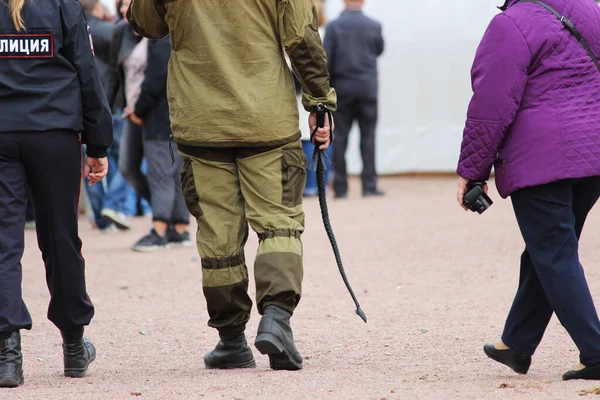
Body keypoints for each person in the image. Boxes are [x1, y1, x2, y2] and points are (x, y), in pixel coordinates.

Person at [127, 0, 336, 371]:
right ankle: (276, 318)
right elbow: (301, 38)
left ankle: (231, 340)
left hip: (200, 121)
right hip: (266, 120)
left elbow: (145, 23)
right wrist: (319, 102)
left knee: (218, 234)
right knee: (278, 223)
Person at [456, 0, 600, 381]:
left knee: (554, 252)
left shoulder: (511, 24)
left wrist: (473, 171)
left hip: (542, 159)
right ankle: (517, 343)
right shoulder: (591, 9)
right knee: (550, 249)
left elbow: (491, 102)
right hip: (594, 154)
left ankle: (597, 351)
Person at [0, 0, 112, 387]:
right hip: (54, 131)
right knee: (61, 239)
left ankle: (7, 356)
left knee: (2, 243)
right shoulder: (62, 4)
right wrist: (98, 143)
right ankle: (74, 346)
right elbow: (86, 70)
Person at [127, 36, 192, 252]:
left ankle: (159, 230)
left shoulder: (162, 42)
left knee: (161, 175)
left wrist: (138, 110)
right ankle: (180, 229)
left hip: (159, 120)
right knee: (178, 177)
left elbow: (154, 81)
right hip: (185, 119)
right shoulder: (186, 36)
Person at [323, 0, 384, 199]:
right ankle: (369, 186)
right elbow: (379, 50)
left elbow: (326, 60)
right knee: (368, 137)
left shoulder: (333, 27)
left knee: (339, 137)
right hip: (367, 89)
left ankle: (340, 187)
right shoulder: (374, 25)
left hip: (342, 89)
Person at [81, 0, 133, 233]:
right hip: (112, 101)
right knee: (122, 158)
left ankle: (102, 218)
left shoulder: (71, 30)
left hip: (83, 105)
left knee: (89, 162)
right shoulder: (110, 31)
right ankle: (112, 205)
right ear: (98, 9)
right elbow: (119, 68)